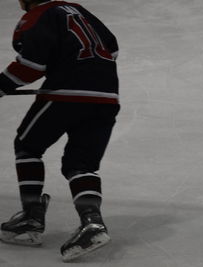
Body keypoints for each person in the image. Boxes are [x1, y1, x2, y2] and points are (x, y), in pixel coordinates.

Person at [0, 0, 120, 261]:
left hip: (66, 94)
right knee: (82, 164)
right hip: (107, 96)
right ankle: (92, 224)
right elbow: (112, 47)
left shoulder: (37, 15)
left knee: (27, 146)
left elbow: (31, 65)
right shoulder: (79, 10)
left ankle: (31, 217)